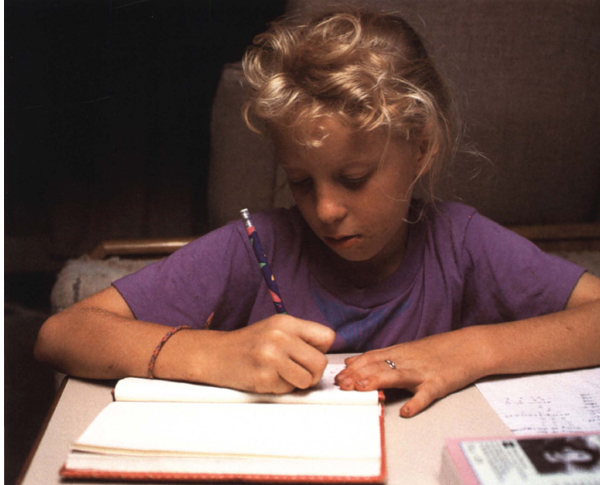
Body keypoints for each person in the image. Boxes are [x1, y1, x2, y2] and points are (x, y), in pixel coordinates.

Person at [34, 9, 600, 418]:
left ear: (422, 146)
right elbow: (63, 334)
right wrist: (215, 354)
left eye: (355, 178)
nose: (326, 210)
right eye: (301, 183)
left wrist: (471, 350)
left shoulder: (461, 243)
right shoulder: (255, 246)